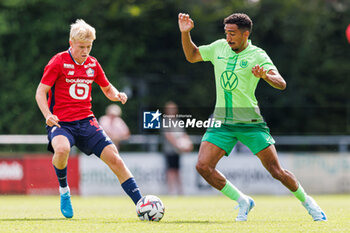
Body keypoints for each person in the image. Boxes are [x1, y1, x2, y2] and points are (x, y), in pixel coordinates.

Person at [178, 13, 327, 221]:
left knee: (276, 171)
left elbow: (281, 83)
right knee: (203, 167)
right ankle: (243, 201)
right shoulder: (219, 47)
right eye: (226, 33)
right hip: (222, 122)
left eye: (233, 34)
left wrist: (266, 75)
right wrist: (186, 33)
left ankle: (309, 203)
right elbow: (192, 55)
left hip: (250, 123)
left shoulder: (258, 55)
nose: (228, 38)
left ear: (245, 34)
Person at [35, 19, 142, 218]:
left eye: (89, 46)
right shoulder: (58, 61)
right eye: (81, 47)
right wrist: (48, 115)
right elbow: (41, 92)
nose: (86, 51)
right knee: (62, 149)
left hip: (87, 121)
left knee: (115, 159)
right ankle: (64, 191)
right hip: (62, 123)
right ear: (71, 43)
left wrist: (117, 95)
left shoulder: (93, 63)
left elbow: (107, 88)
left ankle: (142, 203)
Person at [162, 101, 193, 195]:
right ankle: (171, 191)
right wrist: (178, 145)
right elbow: (168, 136)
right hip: (170, 150)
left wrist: (188, 144)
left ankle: (180, 191)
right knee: (171, 171)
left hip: (178, 151)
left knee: (178, 171)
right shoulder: (166, 121)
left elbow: (184, 135)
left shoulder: (178, 121)